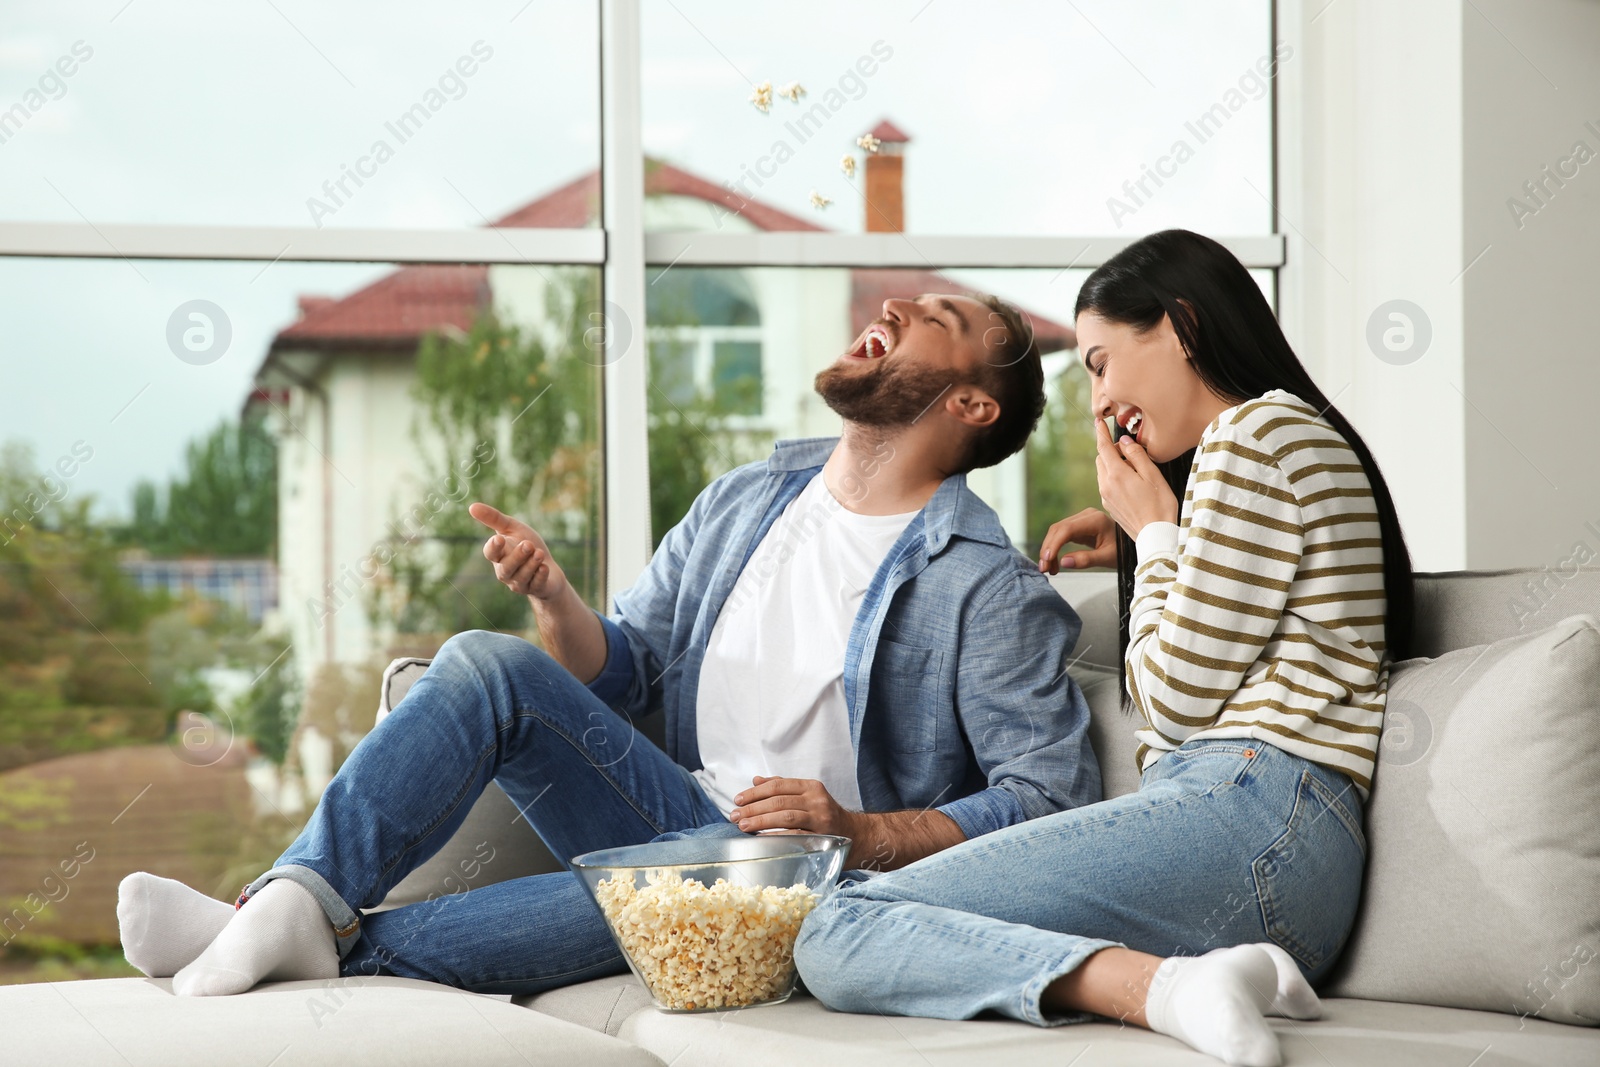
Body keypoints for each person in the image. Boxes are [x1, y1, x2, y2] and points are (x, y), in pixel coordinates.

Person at [115, 291, 1102, 998]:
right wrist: (554, 599)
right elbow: (623, 668)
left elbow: (1049, 797)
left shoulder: (986, 584)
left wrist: (861, 824)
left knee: (726, 853)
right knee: (488, 660)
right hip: (667, 811)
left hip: (804, 879)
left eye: (939, 316)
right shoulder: (744, 502)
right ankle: (303, 892)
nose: (895, 302)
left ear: (970, 405)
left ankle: (291, 928)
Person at [793, 230, 1415, 1067]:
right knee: (852, 920)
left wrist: (1154, 533)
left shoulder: (1253, 434)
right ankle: (1203, 978)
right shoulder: (1291, 439)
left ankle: (1159, 989)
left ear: (1181, 325)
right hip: (1289, 856)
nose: (1098, 399)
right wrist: (1164, 537)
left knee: (840, 921)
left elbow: (1173, 702)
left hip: (1253, 806)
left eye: (1099, 362)